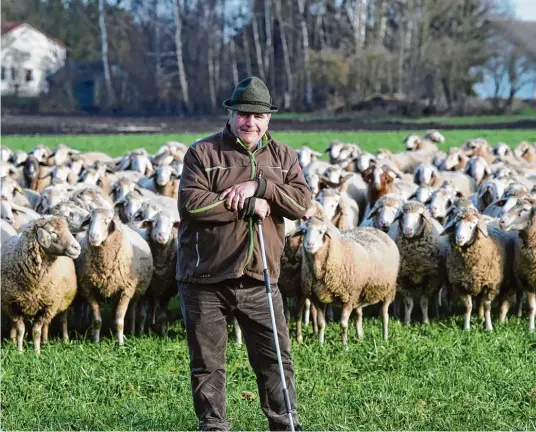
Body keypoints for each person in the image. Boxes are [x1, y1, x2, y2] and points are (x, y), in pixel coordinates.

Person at [176, 76, 312, 431]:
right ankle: (214, 426)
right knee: (207, 364)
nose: (249, 122)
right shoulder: (202, 153)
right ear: (230, 114)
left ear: (268, 119)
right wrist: (252, 204)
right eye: (242, 114)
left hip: (260, 279)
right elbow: (192, 206)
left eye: (257, 115)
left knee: (275, 360)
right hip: (205, 280)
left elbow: (301, 203)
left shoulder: (283, 156)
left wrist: (263, 185)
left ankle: (286, 425)